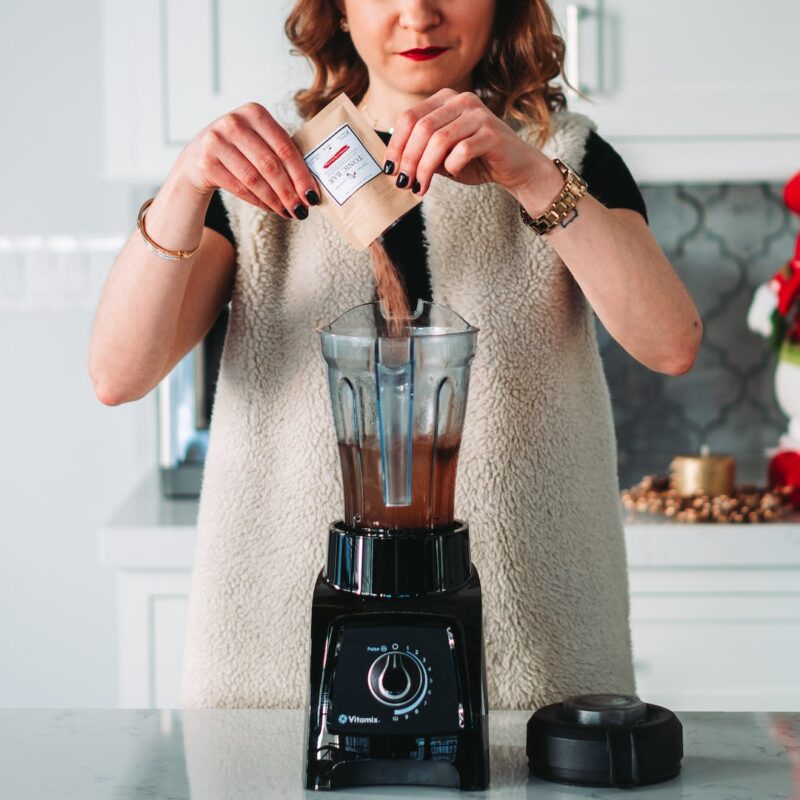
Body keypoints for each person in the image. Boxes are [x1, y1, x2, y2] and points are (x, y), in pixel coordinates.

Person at [88, 0, 702, 710]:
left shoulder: (562, 157)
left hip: (531, 649)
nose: (418, 14)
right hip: (280, 656)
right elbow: (118, 374)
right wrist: (186, 183)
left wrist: (531, 175)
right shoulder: (264, 174)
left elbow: (670, 344)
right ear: (340, 11)